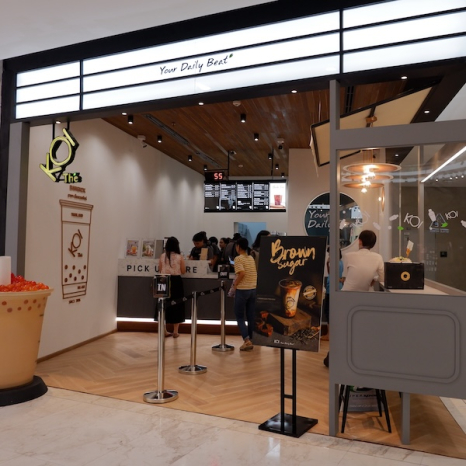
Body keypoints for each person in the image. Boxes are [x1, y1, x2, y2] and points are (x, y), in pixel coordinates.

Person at [325, 230, 384, 368]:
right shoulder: (378, 258)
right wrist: (373, 279)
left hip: (346, 297)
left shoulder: (349, 256)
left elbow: (345, 275)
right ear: (373, 244)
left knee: (343, 331)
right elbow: (382, 278)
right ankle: (358, 360)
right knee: (360, 332)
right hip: (364, 299)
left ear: (360, 241)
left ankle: (336, 358)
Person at [230, 237, 257, 351]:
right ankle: (252, 338)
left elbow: (241, 273)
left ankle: (246, 340)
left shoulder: (238, 259)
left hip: (242, 290)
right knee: (251, 316)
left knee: (239, 316)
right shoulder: (250, 258)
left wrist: (235, 284)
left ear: (238, 247)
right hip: (253, 289)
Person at [157, 236, 186, 338]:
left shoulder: (162, 256)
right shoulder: (179, 257)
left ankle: (164, 330)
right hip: (176, 281)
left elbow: (160, 269)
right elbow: (183, 271)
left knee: (163, 305)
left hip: (163, 280)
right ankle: (175, 331)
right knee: (177, 304)